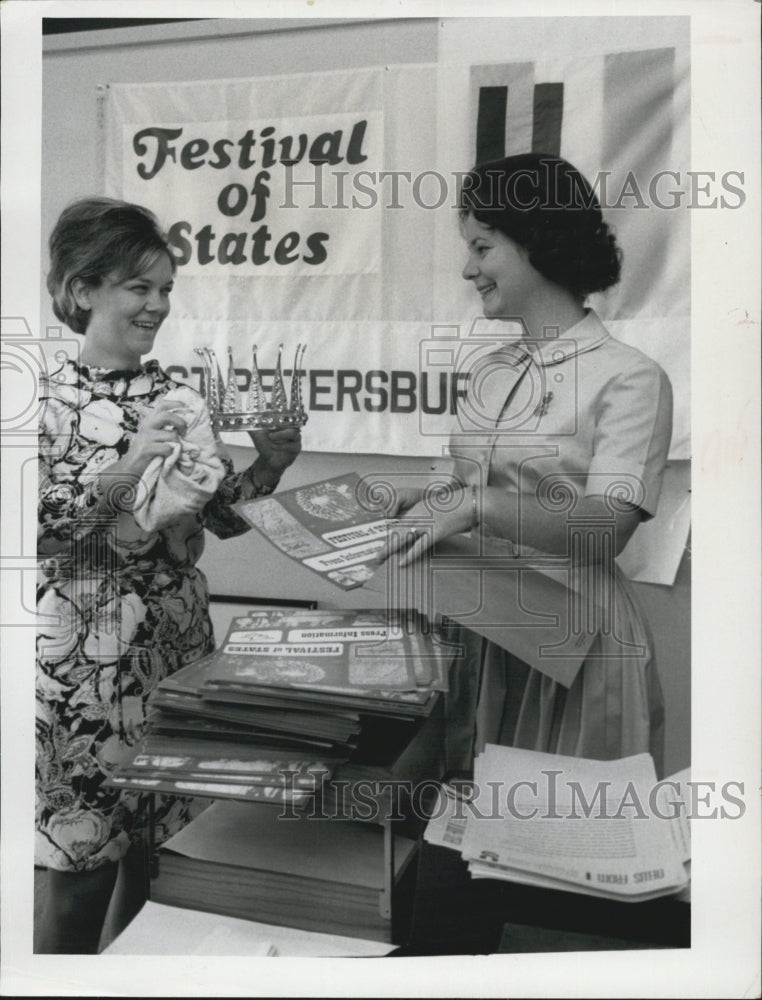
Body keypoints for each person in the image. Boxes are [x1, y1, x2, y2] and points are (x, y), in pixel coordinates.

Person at [35, 197, 302, 953]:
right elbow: (38, 535)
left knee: (160, 871)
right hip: (80, 675)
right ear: (82, 290)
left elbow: (217, 517)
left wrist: (272, 460)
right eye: (137, 287)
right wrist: (125, 468)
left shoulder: (179, 397)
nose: (157, 305)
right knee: (79, 874)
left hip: (177, 662)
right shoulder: (36, 399)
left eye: (165, 289)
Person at [379, 153, 673, 777]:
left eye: (482, 248)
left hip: (579, 643)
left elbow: (605, 529)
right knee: (464, 845)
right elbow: (460, 490)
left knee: (564, 848)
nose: (469, 269)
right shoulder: (493, 371)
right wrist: (404, 499)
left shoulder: (630, 377)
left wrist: (477, 505)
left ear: (537, 243)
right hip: (482, 634)